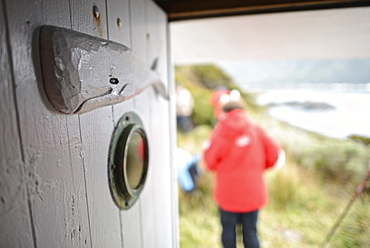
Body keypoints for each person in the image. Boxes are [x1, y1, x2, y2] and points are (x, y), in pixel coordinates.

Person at [202, 100, 283, 248]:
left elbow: (209, 161)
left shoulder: (220, 130)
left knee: (228, 231)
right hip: (252, 191)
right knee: (251, 232)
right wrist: (259, 167)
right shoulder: (257, 127)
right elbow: (274, 152)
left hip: (227, 193)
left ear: (225, 112)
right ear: (242, 110)